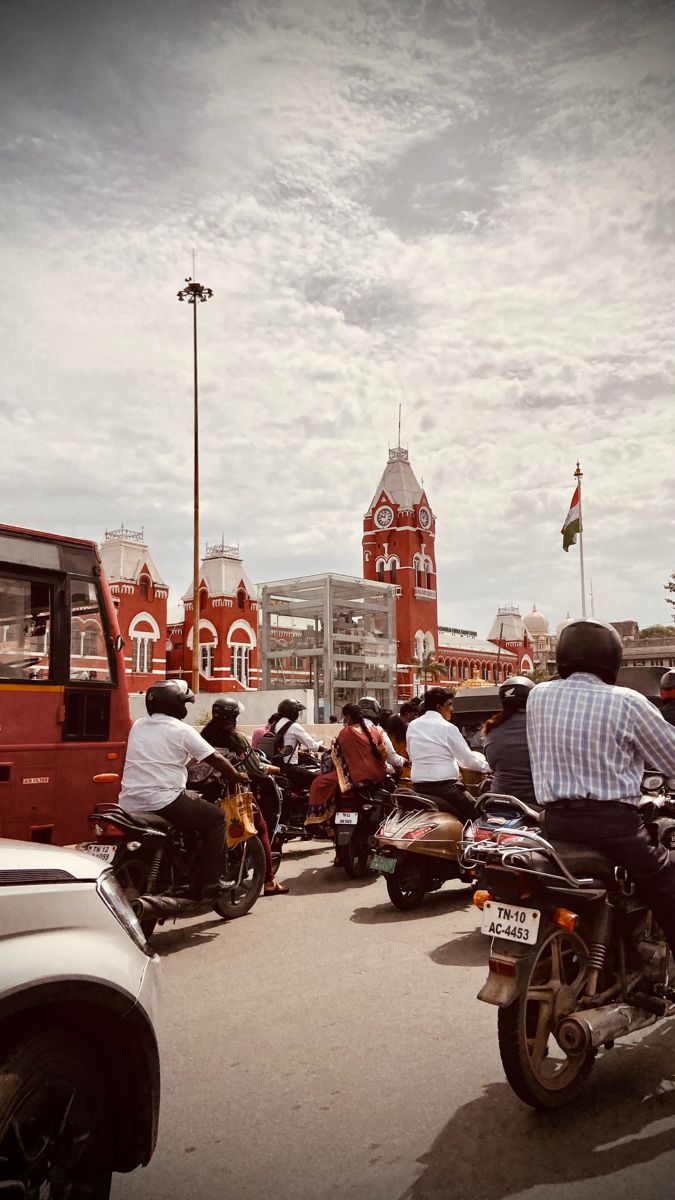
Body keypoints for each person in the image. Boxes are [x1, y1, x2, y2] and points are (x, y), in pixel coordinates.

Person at [526, 619, 675, 959]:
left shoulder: (538, 696)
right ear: (612, 658)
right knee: (666, 880)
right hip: (613, 828)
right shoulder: (627, 701)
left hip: (553, 825)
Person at [119, 680, 246, 901]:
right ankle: (211, 882)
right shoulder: (181, 730)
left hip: (128, 801)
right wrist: (236, 775)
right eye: (184, 703)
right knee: (216, 817)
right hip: (163, 801)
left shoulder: (138, 725)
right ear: (176, 705)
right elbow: (214, 757)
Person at [201, 698, 289, 896]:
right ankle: (269, 881)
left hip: (208, 791)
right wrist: (272, 768)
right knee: (261, 829)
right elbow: (256, 769)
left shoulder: (204, 735)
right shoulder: (236, 738)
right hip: (234, 791)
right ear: (234, 717)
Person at [406, 687, 489, 822]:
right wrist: (489, 767)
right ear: (439, 707)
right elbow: (467, 760)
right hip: (445, 790)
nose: (452, 709)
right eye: (449, 704)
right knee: (479, 819)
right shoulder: (448, 727)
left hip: (418, 789)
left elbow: (411, 753)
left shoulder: (412, 726)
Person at [305, 702, 388, 830]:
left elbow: (337, 756)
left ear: (348, 717)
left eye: (344, 717)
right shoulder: (377, 731)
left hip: (353, 777)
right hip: (378, 776)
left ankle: (318, 822)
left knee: (318, 783)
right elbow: (384, 754)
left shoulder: (346, 732)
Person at [483, 676, 537, 806]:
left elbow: (492, 765)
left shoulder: (492, 728)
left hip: (498, 798)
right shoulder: (540, 726)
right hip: (533, 800)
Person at [267, 699, 323, 789]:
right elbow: (313, 746)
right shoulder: (293, 726)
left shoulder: (276, 724)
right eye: (297, 711)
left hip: (276, 764)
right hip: (289, 768)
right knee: (320, 780)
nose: (298, 714)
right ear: (292, 713)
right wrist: (328, 749)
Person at [357, 696, 405, 771]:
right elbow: (392, 759)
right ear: (377, 712)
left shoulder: (346, 730)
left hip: (347, 778)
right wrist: (403, 761)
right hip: (372, 777)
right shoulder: (379, 732)